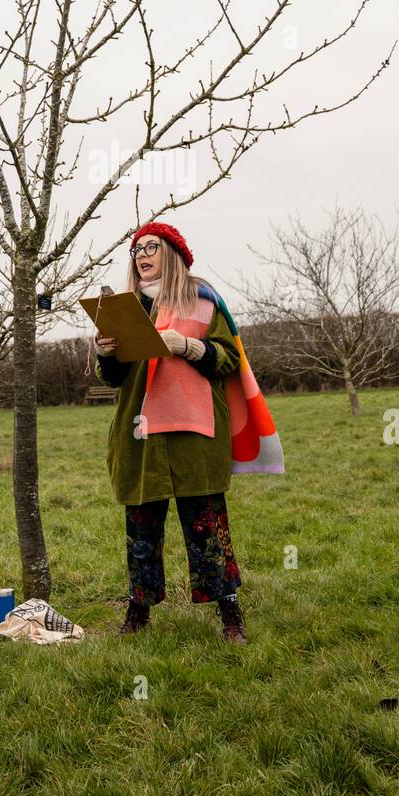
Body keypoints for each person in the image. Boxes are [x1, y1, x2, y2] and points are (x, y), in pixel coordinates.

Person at [93, 221, 248, 643]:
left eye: (151, 247)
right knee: (141, 528)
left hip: (195, 431)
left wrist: (189, 347)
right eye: (136, 250)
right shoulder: (126, 309)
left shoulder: (202, 299)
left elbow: (230, 358)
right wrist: (104, 351)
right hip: (141, 434)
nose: (141, 255)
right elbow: (113, 377)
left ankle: (230, 612)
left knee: (207, 525)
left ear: (172, 253)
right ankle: (138, 611)